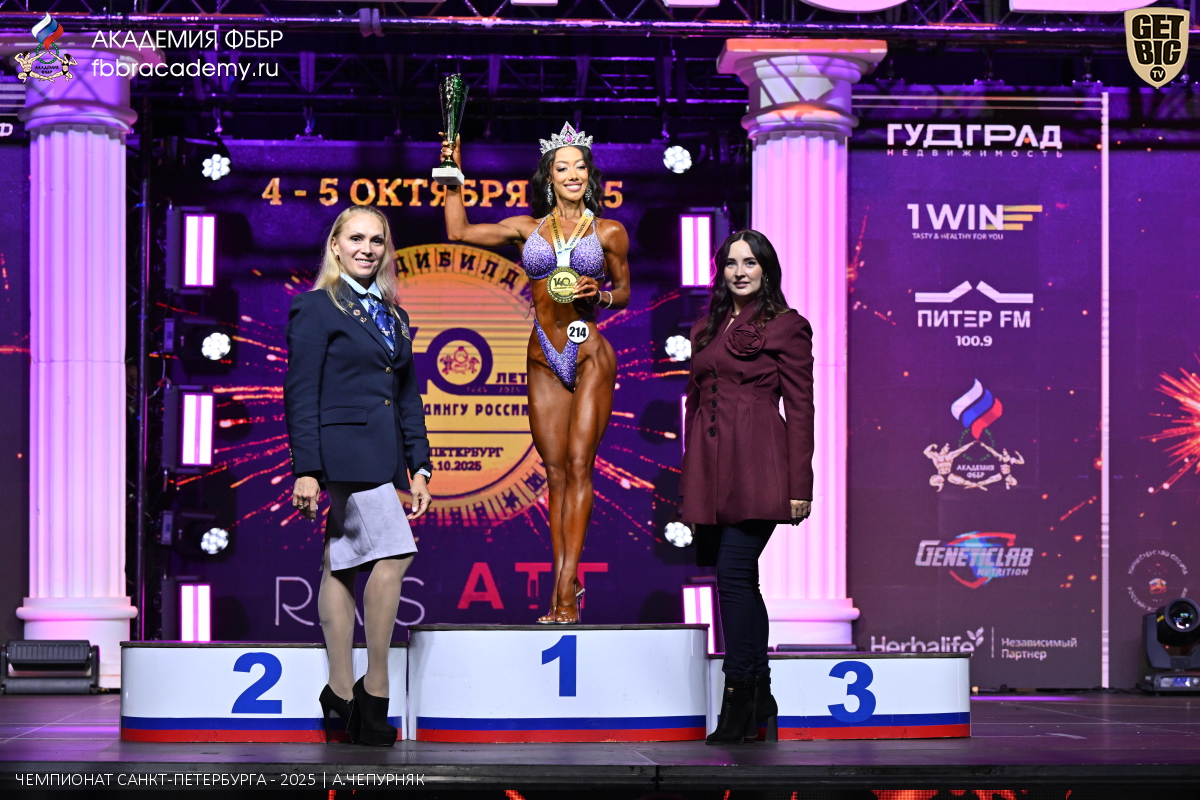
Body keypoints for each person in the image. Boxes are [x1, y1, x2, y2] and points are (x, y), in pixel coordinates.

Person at [439, 122, 630, 624]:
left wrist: (600, 294)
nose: (572, 174)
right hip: (542, 353)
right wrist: (452, 173)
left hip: (588, 351)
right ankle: (566, 578)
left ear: (589, 176)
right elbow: (458, 232)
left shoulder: (609, 232)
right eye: (562, 167)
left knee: (579, 464)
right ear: (549, 177)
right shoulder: (527, 229)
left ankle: (564, 589)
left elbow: (625, 292)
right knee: (555, 473)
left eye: (579, 166)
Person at [285, 206, 433, 746]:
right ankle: (375, 693)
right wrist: (307, 469)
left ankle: (339, 693)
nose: (366, 249)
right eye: (356, 238)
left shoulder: (394, 315)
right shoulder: (315, 307)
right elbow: (300, 391)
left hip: (383, 455)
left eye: (376, 240)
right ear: (335, 245)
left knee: (341, 564)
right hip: (342, 453)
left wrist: (419, 465)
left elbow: (406, 396)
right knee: (395, 554)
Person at [678, 230, 815, 745]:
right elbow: (695, 404)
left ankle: (738, 697)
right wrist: (692, 478)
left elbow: (800, 409)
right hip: (711, 467)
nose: (740, 271)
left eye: (750, 262)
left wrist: (800, 484)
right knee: (738, 579)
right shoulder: (706, 327)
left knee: (733, 574)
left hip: (759, 463)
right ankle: (759, 697)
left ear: (766, 269)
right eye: (732, 262)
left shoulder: (787, 326)